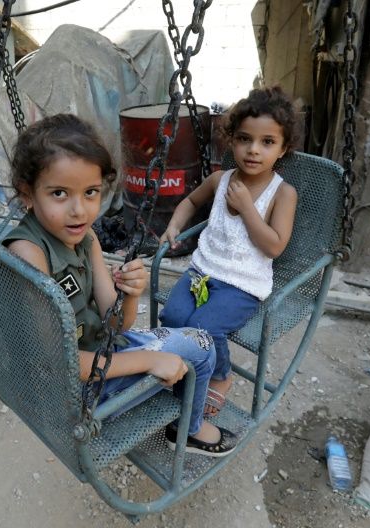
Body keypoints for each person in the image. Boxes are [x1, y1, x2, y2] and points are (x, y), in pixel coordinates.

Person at [2, 114, 238, 457]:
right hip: (79, 390)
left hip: (103, 353)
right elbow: (60, 363)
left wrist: (130, 295)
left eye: (91, 192)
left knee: (192, 341)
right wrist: (148, 360)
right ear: (27, 195)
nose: (78, 210)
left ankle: (174, 390)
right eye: (59, 193)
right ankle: (191, 429)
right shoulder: (29, 254)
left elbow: (118, 325)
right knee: (202, 347)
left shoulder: (86, 238)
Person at [159, 86, 299, 416]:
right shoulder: (220, 179)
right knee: (174, 316)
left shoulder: (283, 193)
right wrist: (174, 225)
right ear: (231, 140)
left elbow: (275, 246)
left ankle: (220, 376)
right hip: (202, 271)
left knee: (206, 327)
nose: (253, 150)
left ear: (283, 149)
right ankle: (186, 364)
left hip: (242, 285)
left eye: (267, 142)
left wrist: (249, 209)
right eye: (244, 139)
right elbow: (191, 201)